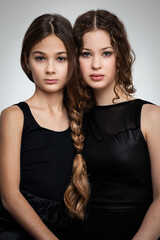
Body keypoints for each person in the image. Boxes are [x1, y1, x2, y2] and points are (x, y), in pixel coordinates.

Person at [67, 9, 160, 240]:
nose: (96, 64)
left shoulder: (150, 116)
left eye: (106, 53)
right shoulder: (70, 117)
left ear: (119, 56)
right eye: (86, 54)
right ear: (75, 58)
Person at [0, 13, 89, 240]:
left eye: (61, 58)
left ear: (73, 61)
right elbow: (9, 195)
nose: (50, 69)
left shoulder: (82, 117)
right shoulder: (14, 116)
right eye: (40, 58)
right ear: (26, 61)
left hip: (71, 229)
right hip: (20, 231)